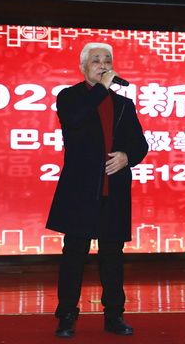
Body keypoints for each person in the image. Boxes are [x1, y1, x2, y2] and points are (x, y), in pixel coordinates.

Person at [46, 42, 148, 338]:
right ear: (83, 67)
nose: (103, 65)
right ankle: (67, 316)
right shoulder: (69, 97)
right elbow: (74, 119)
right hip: (80, 191)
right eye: (96, 60)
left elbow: (140, 144)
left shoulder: (124, 105)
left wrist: (127, 156)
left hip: (113, 191)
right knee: (74, 255)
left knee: (112, 257)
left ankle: (114, 315)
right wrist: (102, 89)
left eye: (107, 60)